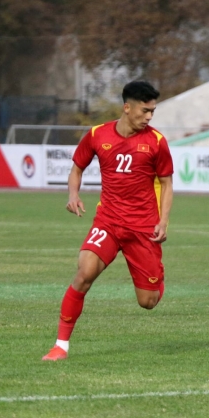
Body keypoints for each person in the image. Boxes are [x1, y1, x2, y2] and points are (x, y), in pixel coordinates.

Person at [42, 80, 174, 361]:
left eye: (153, 111)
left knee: (148, 302)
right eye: (145, 110)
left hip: (142, 228)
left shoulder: (156, 142)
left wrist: (163, 221)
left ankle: (156, 276)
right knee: (84, 273)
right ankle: (60, 346)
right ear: (127, 107)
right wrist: (73, 194)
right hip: (109, 222)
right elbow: (77, 168)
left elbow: (167, 182)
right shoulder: (96, 135)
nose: (149, 116)